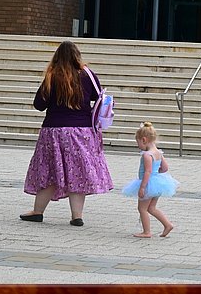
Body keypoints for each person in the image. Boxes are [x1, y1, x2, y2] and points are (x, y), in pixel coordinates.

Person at [20, 40, 113, 226]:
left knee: (50, 170)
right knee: (77, 172)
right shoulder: (87, 74)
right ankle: (76, 216)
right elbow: (99, 97)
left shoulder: (52, 76)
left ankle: (37, 211)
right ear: (77, 56)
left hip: (53, 131)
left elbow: (39, 105)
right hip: (82, 132)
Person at [121, 122, 178, 238]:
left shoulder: (147, 155)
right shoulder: (158, 153)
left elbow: (148, 171)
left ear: (144, 140)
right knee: (151, 208)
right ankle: (168, 224)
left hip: (148, 184)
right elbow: (165, 168)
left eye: (138, 143)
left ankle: (146, 232)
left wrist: (142, 187)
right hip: (157, 183)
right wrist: (157, 175)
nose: (138, 146)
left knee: (142, 209)